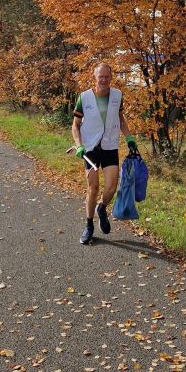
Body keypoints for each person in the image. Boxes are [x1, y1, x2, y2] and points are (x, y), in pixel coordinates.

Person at [71, 63, 137, 244]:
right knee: (93, 188)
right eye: (101, 76)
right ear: (94, 77)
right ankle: (89, 224)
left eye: (107, 76)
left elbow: (121, 119)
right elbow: (75, 125)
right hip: (90, 148)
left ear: (111, 77)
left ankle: (102, 208)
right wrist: (79, 145)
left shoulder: (117, 95)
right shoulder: (84, 98)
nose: (104, 80)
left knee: (111, 187)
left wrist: (129, 138)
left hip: (109, 145)